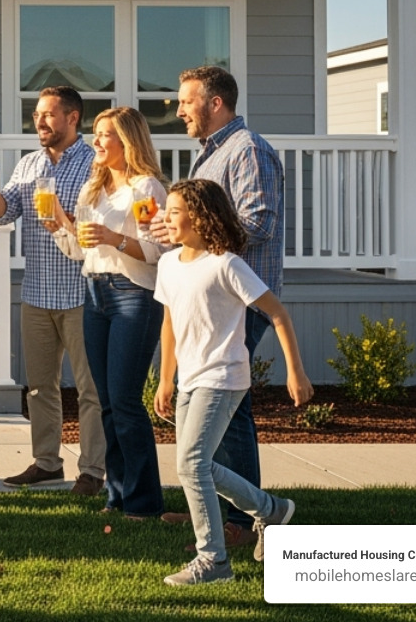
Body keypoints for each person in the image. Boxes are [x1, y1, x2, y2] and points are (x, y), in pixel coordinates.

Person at [153, 179, 312, 585]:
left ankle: (214, 563)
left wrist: (296, 372)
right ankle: (271, 510)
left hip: (224, 376)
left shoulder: (226, 264)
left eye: (173, 212)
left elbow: (277, 313)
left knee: (191, 464)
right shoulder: (169, 264)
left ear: (200, 217)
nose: (165, 218)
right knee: (196, 465)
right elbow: (170, 324)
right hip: (189, 378)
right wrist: (165, 379)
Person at [155, 65, 285, 549]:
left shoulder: (246, 149)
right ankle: (214, 507)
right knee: (219, 408)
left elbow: (259, 222)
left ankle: (240, 523)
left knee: (229, 409)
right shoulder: (210, 155)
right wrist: (176, 234)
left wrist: (202, 237)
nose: (179, 109)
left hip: (241, 299)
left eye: (186, 101)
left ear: (215, 103)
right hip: (208, 297)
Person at [0, 86, 106, 496]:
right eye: (36, 115)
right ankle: (47, 462)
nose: (39, 122)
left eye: (48, 115)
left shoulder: (94, 164)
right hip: (37, 292)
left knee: (89, 389)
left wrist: (62, 216)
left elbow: (98, 227)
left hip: (82, 293)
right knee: (39, 387)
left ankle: (91, 471)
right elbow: (5, 213)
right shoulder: (29, 164)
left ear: (73, 118)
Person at [46, 106, 170, 520]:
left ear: (127, 142)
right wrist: (60, 228)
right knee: (106, 403)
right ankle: (117, 496)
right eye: (96, 134)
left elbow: (157, 252)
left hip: (133, 295)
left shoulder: (145, 188)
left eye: (105, 135)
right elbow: (81, 251)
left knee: (125, 401)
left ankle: (144, 502)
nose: (96, 142)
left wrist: (115, 238)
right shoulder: (92, 190)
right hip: (95, 293)